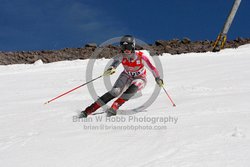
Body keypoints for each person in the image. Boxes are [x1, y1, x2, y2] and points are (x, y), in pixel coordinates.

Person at [79, 35, 164, 118]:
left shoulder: (141, 57)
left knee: (133, 87)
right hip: (126, 75)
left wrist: (158, 78)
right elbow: (115, 63)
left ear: (133, 46)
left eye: (129, 47)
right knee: (114, 92)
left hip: (140, 78)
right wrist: (112, 68)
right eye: (124, 47)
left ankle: (115, 106)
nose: (126, 50)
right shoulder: (121, 56)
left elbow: (152, 68)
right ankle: (89, 110)